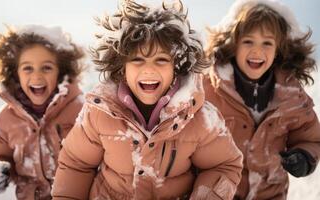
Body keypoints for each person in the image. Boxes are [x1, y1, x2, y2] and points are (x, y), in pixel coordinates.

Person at [52, 0, 243, 199]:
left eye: (161, 60)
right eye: (137, 60)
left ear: (176, 66)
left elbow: (223, 166)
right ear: (122, 67)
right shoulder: (98, 113)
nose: (149, 69)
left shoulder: (199, 116)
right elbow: (76, 164)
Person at [203, 0, 320, 199]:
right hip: (222, 193)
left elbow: (309, 137)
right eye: (248, 41)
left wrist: (303, 155)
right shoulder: (210, 89)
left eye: (267, 43)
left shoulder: (291, 96)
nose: (257, 51)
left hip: (270, 193)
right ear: (234, 45)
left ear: (278, 50)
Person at [0, 24, 85, 200]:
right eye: (27, 68)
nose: (37, 76)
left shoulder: (81, 110)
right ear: (15, 73)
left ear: (60, 72)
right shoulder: (4, 119)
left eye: (46, 68)